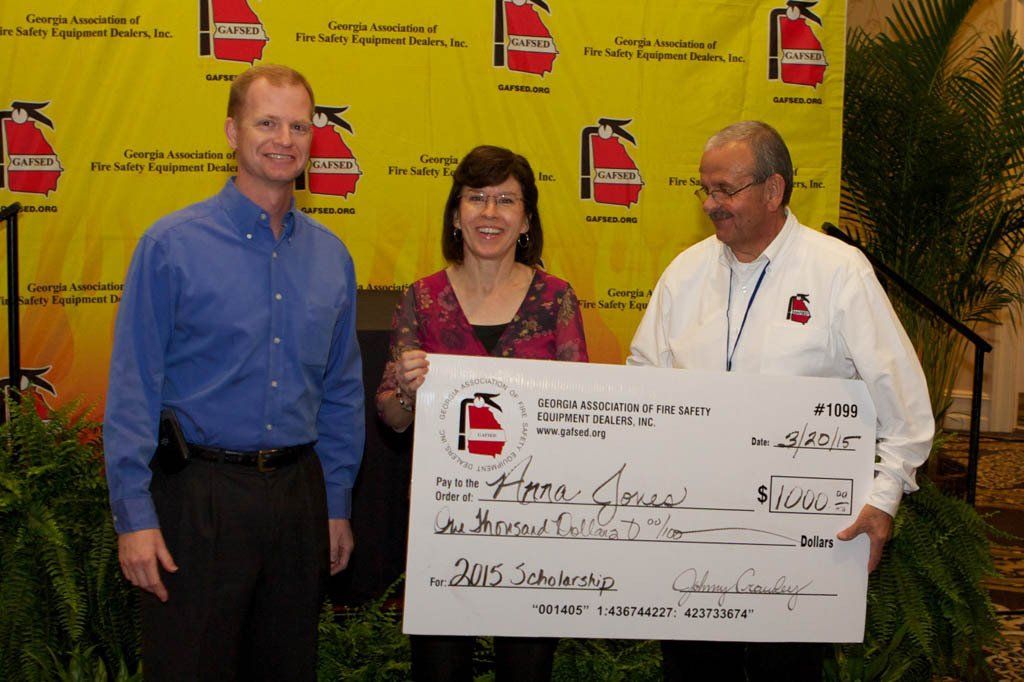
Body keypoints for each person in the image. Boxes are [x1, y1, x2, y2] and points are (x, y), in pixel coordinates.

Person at [628, 120, 934, 681]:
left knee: (785, 671)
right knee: (694, 670)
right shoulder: (684, 274)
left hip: (799, 538)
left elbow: (907, 409)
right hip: (691, 531)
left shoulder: (839, 273)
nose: (711, 204)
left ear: (773, 190)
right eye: (706, 189)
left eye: (726, 190)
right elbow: (642, 382)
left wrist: (883, 498)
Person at [103, 64, 365, 681]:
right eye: (267, 122)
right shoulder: (170, 246)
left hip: (299, 498)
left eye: (300, 125)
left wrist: (336, 502)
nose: (285, 138)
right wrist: (134, 518)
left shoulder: (332, 257)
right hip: (196, 499)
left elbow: (342, 392)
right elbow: (132, 388)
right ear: (231, 130)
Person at [376, 145, 588, 681]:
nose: (490, 213)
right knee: (439, 670)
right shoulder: (421, 300)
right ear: (455, 214)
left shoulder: (557, 299)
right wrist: (405, 389)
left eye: (506, 201)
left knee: (527, 671)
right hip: (443, 524)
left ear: (526, 219)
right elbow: (392, 420)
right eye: (476, 199)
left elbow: (581, 418)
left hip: (534, 524)